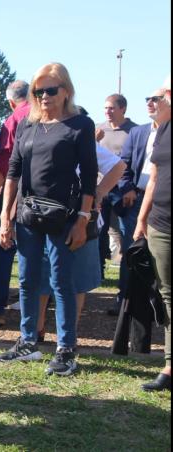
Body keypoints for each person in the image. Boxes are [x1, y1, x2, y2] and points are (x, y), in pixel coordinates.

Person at [0, 63, 97, 377]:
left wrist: (82, 220)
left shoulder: (80, 125)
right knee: (26, 281)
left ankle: (66, 348)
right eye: (38, 91)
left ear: (65, 90)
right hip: (27, 215)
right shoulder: (27, 124)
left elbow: (91, 177)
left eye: (51, 90)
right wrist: (5, 217)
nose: (44, 97)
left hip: (62, 216)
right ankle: (28, 341)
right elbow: (12, 173)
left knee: (61, 282)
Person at [36, 143, 126, 342]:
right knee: (42, 274)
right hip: (43, 215)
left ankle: (67, 335)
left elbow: (118, 166)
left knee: (77, 278)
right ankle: (37, 329)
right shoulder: (38, 132)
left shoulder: (83, 140)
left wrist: (99, 192)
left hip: (80, 218)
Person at [112, 89, 171, 315]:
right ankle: (127, 302)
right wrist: (127, 189)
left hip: (164, 202)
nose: (150, 103)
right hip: (137, 199)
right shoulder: (137, 133)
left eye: (156, 99)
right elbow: (123, 165)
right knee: (133, 252)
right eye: (147, 99)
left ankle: (157, 304)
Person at [0, 80, 31, 326]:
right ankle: (36, 314)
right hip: (44, 195)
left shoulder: (13, 121)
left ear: (11, 102)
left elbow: (5, 163)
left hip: (16, 193)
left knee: (3, 248)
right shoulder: (51, 113)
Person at [133, 77, 171, 392]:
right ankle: (170, 368)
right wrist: (142, 220)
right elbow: (154, 178)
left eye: (159, 95)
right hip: (161, 223)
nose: (154, 101)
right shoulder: (161, 132)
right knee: (168, 294)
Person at [96, 94, 139, 288]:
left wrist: (131, 188)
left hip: (123, 191)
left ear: (123, 109)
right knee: (97, 231)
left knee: (125, 235)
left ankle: (126, 281)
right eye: (105, 108)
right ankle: (97, 273)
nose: (107, 111)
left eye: (112, 108)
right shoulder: (98, 130)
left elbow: (135, 164)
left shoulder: (135, 131)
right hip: (100, 189)